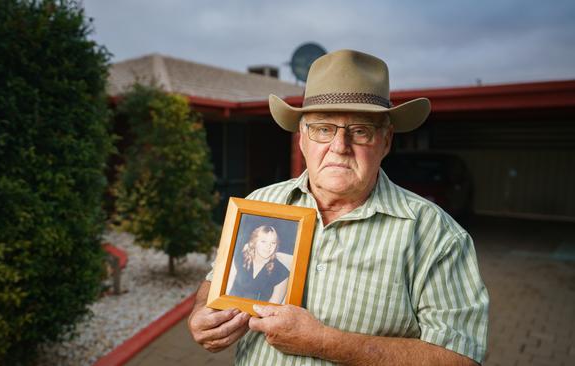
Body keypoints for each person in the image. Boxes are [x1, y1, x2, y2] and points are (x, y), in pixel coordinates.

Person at [188, 49, 489, 365]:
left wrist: (323, 342)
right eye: (323, 129)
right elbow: (217, 280)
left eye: (360, 131)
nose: (339, 147)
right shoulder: (259, 204)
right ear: (302, 138)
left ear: (385, 141)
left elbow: (459, 358)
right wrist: (201, 313)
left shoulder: (434, 234)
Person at [226, 225, 290, 304]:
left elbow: (273, 307)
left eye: (273, 243)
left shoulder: (282, 272)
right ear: (254, 242)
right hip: (229, 308)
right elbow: (227, 290)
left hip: (258, 315)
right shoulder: (239, 258)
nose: (268, 246)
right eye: (263, 241)